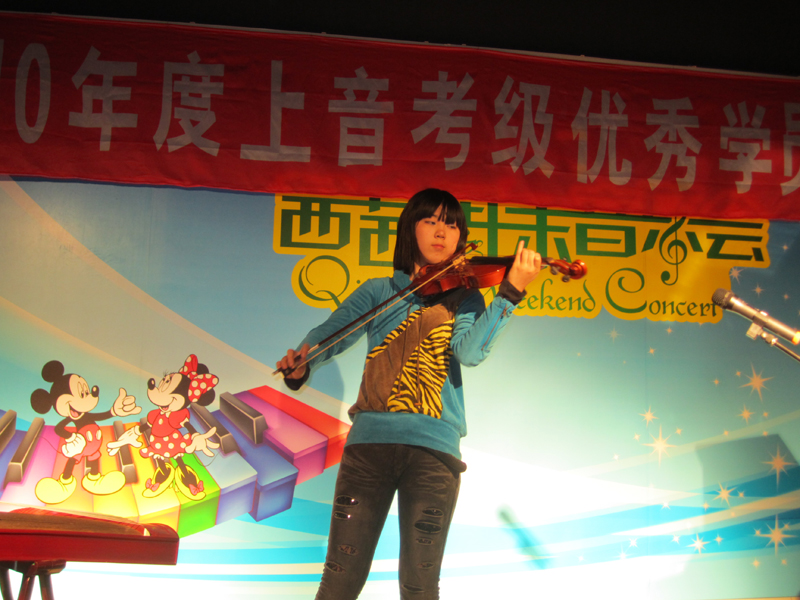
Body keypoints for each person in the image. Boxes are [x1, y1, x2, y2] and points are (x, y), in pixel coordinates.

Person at [276, 188, 541, 600]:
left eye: (451, 225)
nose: (442, 232)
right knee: (340, 578)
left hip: (434, 453)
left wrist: (509, 293)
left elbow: (470, 353)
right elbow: (331, 333)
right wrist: (303, 361)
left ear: (461, 236)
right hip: (369, 448)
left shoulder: (466, 295)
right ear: (410, 230)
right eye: (430, 221)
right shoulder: (379, 291)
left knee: (419, 584)